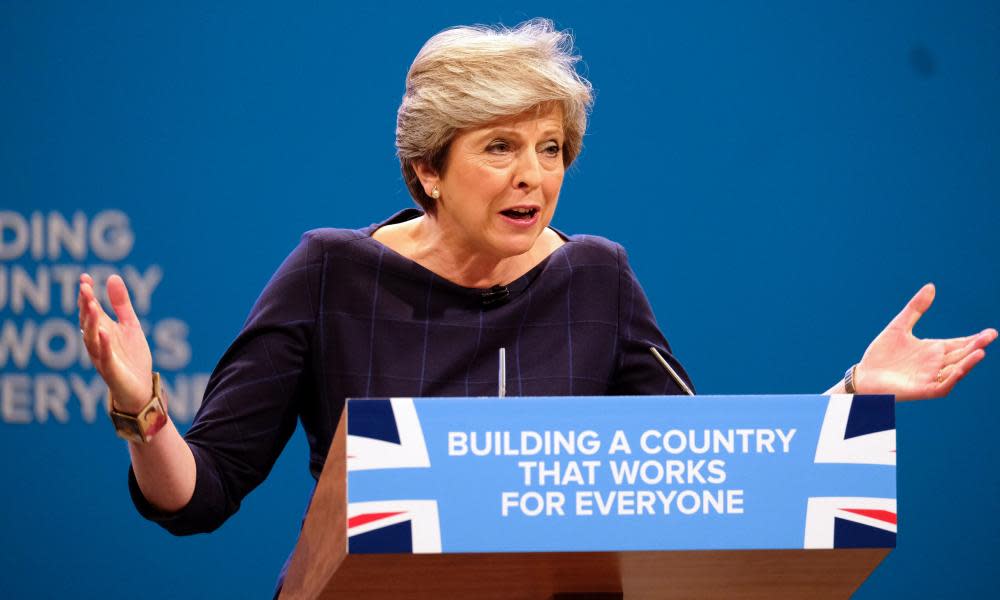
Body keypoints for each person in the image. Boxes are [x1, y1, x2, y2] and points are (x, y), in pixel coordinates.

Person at [76, 17, 996, 589]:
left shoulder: (595, 278)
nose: (535, 177)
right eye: (501, 148)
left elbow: (703, 482)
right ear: (427, 169)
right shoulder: (331, 273)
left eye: (552, 149)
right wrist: (141, 409)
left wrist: (853, 396)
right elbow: (195, 497)